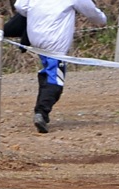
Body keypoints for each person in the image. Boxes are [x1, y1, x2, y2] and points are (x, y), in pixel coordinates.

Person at [13, 0, 107, 134]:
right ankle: (41, 112)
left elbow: (20, 6)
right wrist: (102, 20)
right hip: (54, 42)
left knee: (49, 70)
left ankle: (41, 109)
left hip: (36, 37)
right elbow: (91, 11)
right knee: (56, 81)